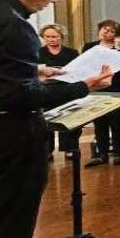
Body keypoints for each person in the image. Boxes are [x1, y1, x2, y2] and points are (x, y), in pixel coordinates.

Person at [0, 0, 113, 238]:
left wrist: (36, 68)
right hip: (10, 137)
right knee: (9, 224)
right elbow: (19, 97)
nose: (51, 2)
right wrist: (84, 85)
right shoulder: (15, 26)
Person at [83, 19, 120, 166]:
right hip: (97, 87)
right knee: (99, 122)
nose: (106, 32)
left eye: (111, 31)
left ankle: (118, 153)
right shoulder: (89, 46)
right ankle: (102, 153)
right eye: (104, 29)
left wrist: (117, 48)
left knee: (117, 122)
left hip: (116, 87)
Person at [38, 23, 80, 160]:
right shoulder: (38, 52)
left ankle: (69, 148)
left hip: (66, 89)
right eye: (48, 37)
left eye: (55, 36)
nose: (51, 39)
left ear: (61, 37)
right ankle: (47, 150)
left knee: (69, 118)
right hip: (46, 90)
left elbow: (77, 71)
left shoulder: (71, 53)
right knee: (45, 121)